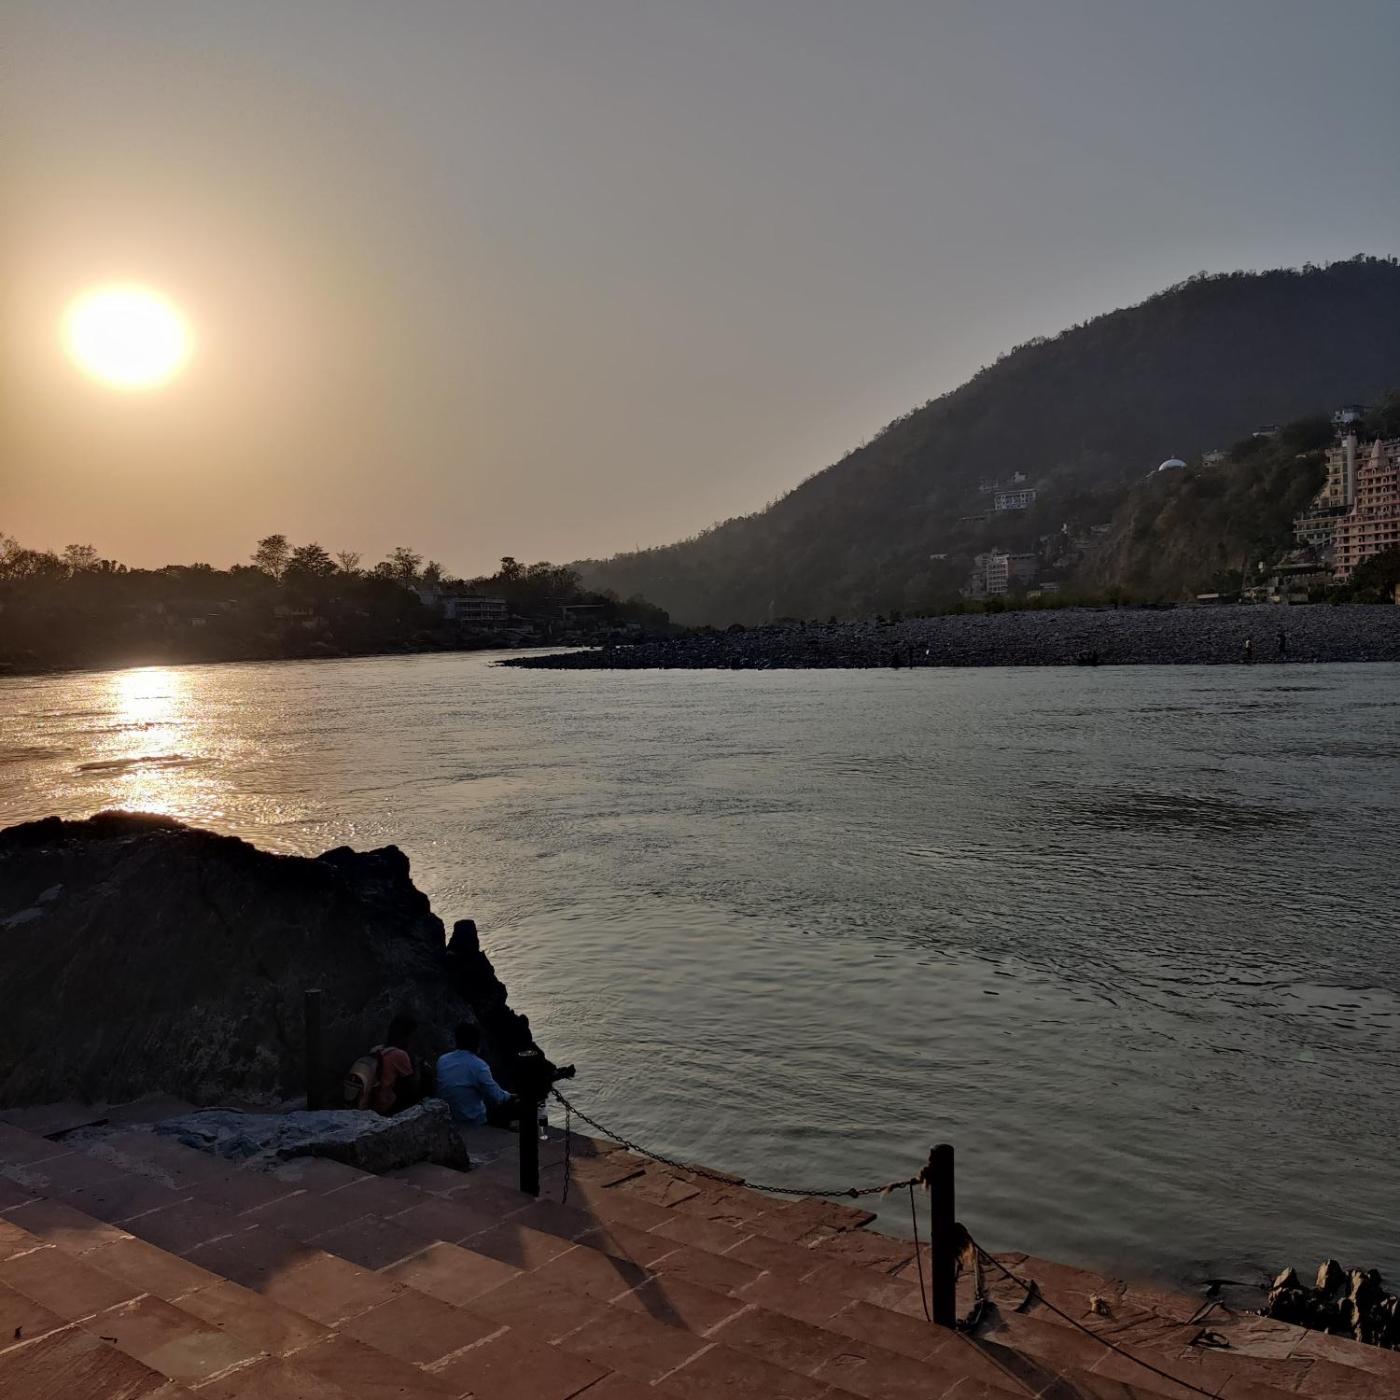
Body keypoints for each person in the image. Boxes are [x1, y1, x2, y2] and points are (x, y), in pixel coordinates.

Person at [436, 1020, 515, 1126]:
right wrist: (513, 1096)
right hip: (472, 1121)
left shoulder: (442, 1060)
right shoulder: (479, 1066)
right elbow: (498, 1097)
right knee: (510, 1102)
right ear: (477, 1042)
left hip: (450, 1118)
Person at [372, 1012, 422, 1116]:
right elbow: (412, 1089)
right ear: (407, 1035)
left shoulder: (377, 1050)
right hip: (387, 1107)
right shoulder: (400, 1055)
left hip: (373, 1103)